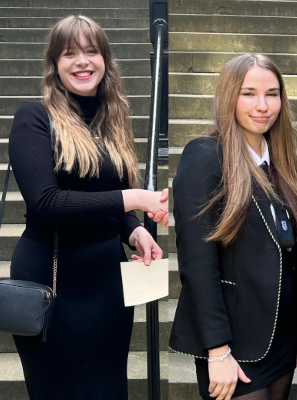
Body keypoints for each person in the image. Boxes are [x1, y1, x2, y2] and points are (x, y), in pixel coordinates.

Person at [8, 15, 168, 399]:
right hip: (52, 278)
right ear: (55, 65)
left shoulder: (111, 121)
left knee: (107, 387)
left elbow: (107, 196)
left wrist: (133, 229)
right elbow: (47, 202)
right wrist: (135, 199)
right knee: (57, 390)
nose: (82, 61)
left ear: (105, 61)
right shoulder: (34, 118)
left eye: (91, 51)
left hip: (107, 281)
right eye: (69, 53)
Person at [169, 53, 297, 400]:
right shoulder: (205, 155)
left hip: (279, 335)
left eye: (273, 93)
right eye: (248, 93)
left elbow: (289, 254)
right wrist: (218, 350)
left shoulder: (279, 162)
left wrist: (294, 331)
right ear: (228, 96)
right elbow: (196, 262)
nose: (263, 105)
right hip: (232, 342)